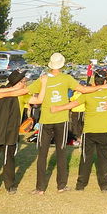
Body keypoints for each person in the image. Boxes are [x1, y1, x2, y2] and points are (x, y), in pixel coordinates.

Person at [58, 71, 107, 191]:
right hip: (104, 131)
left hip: (89, 132)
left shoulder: (88, 94)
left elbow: (73, 104)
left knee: (85, 159)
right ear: (105, 82)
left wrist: (59, 108)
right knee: (104, 159)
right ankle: (104, 186)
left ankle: (80, 185)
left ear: (94, 82)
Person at [32, 52, 78, 194]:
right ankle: (61, 186)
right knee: (61, 152)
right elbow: (82, 89)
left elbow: (28, 91)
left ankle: (40, 188)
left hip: (46, 119)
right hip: (61, 120)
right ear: (62, 64)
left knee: (42, 154)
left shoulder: (43, 78)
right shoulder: (67, 78)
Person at [0, 70, 32, 194]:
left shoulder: (3, 91)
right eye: (24, 81)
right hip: (2, 131)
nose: (26, 84)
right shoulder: (13, 93)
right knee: (1, 159)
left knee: (1, 159)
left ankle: (1, 186)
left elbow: (35, 100)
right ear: (17, 83)